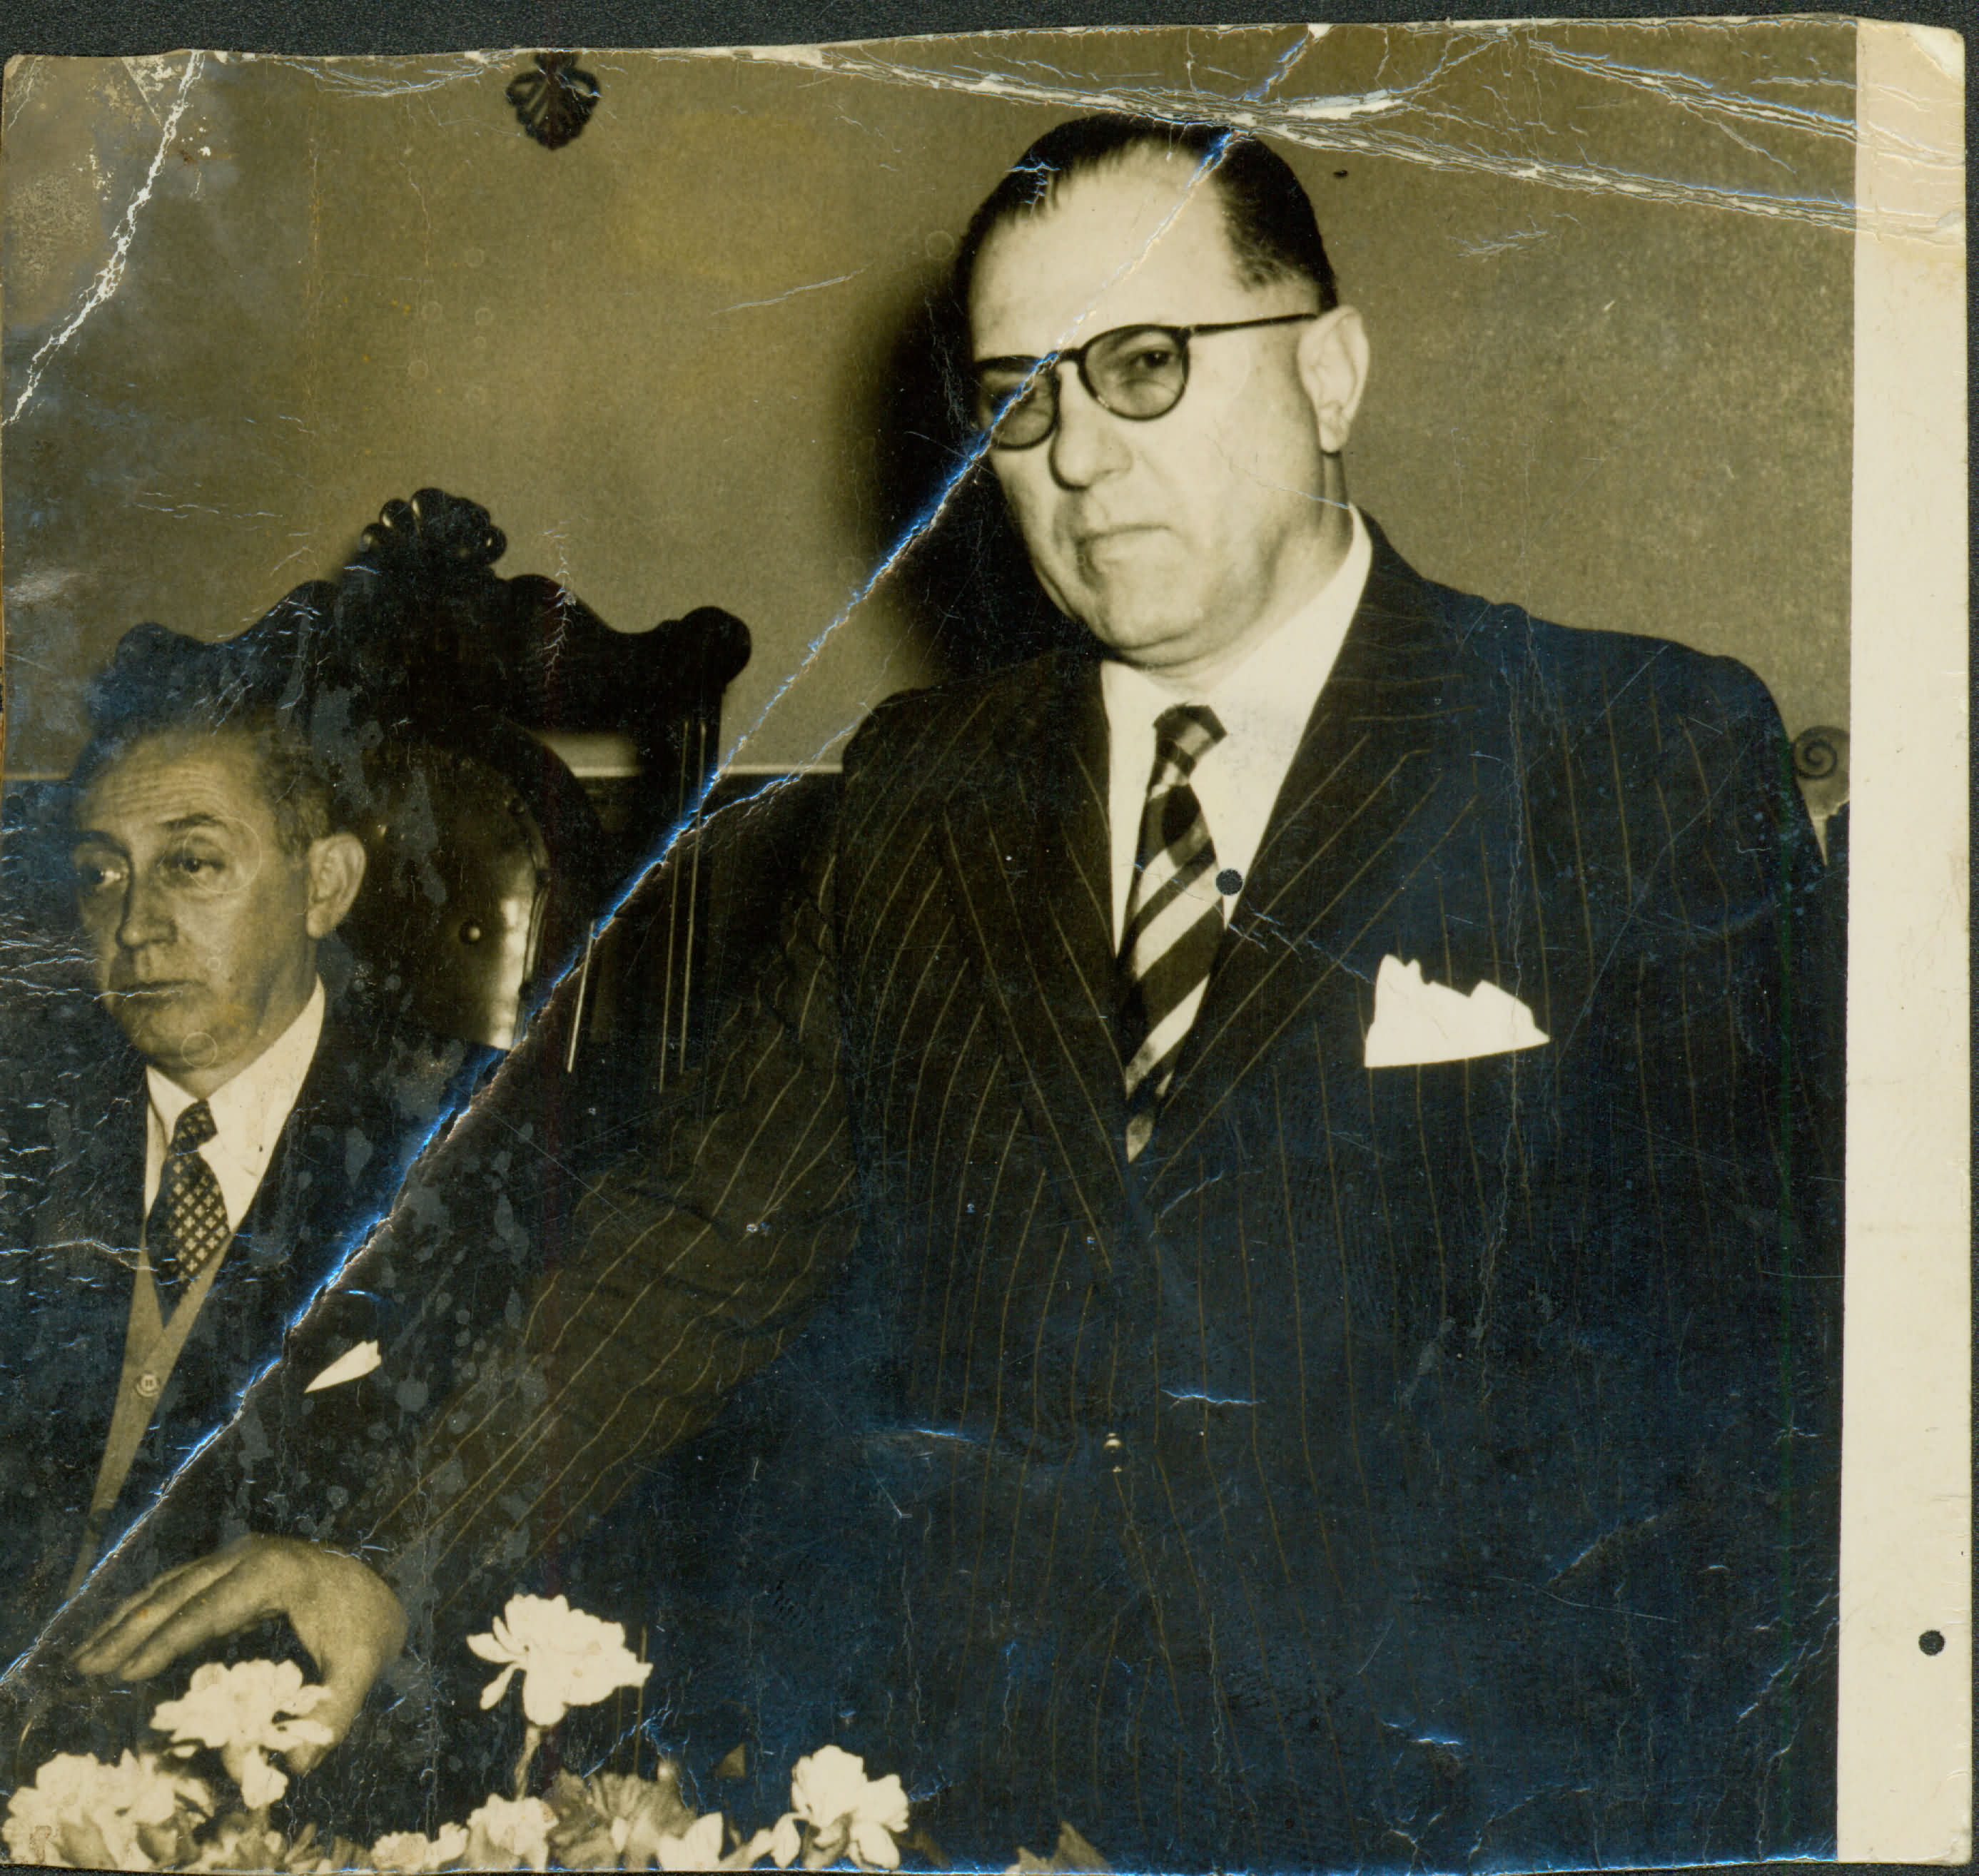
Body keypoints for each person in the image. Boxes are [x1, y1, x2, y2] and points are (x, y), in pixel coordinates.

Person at [59, 117, 1841, 1867]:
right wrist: (391, 1548)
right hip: (978, 1801)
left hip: (1455, 1806)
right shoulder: (920, 789)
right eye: (1019, 400)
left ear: (1331, 370)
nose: (1077, 456)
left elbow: (1746, 1397)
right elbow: (700, 1238)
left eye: (1143, 364)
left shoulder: (1630, 751)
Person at [0, 624, 473, 1758]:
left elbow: (499, 1514)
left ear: (324, 884)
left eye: (192, 862)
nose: (134, 924)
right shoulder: (26, 1120)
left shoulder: (471, 1144)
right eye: (102, 872)